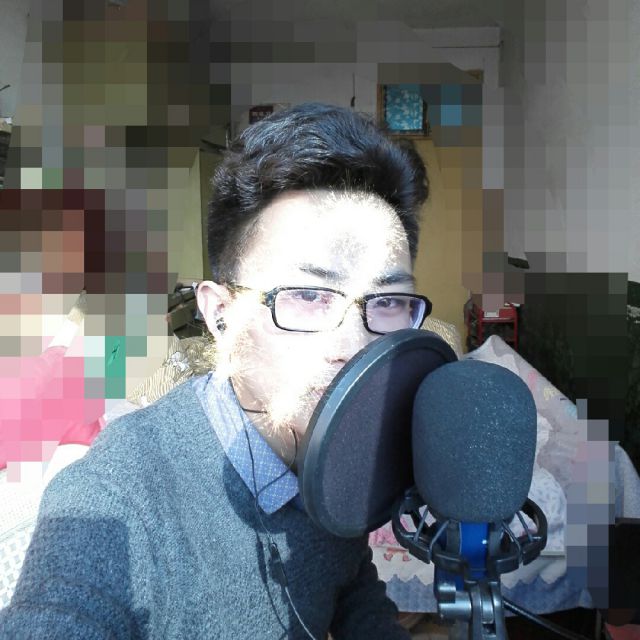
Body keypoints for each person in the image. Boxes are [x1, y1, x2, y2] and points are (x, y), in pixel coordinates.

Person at [0, 103, 431, 639]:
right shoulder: (110, 502)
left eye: (387, 302)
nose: (353, 346)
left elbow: (352, 586)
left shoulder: (342, 452)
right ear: (221, 315)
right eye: (307, 295)